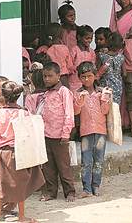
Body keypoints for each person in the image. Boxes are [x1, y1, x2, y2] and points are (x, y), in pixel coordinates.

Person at [0, 81, 45, 223]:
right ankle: (22, 217)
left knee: (1, 185)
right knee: (21, 185)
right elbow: (30, 133)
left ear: (3, 95)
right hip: (21, 152)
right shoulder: (24, 113)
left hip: (4, 154)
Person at [38, 62, 76, 202]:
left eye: (50, 76)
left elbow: (69, 114)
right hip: (46, 135)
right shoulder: (46, 93)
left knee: (63, 166)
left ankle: (70, 192)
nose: (46, 79)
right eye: (44, 76)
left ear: (58, 76)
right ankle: (51, 192)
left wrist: (66, 133)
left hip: (60, 136)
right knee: (48, 167)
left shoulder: (64, 92)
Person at [73, 62, 112, 197]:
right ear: (79, 78)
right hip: (85, 132)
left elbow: (105, 111)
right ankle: (86, 189)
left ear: (95, 76)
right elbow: (76, 112)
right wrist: (80, 100)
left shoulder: (101, 92)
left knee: (99, 160)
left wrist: (105, 98)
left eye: (90, 76)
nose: (87, 79)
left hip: (101, 131)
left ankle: (96, 186)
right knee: (86, 161)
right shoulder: (78, 93)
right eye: (83, 77)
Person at [97, 31, 125, 105]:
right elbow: (125, 73)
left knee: (104, 107)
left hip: (104, 86)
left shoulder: (101, 56)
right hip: (117, 87)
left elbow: (97, 71)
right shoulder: (121, 58)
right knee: (115, 109)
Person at [68, 25, 96, 92]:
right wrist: (75, 68)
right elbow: (69, 65)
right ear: (79, 37)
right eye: (87, 38)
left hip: (87, 82)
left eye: (91, 38)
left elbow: (93, 66)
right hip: (75, 82)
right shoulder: (74, 50)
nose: (89, 40)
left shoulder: (91, 52)